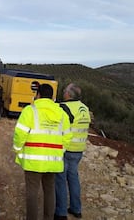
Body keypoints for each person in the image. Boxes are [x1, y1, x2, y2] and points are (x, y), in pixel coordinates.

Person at [13, 84, 72, 220]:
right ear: (52, 96)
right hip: (53, 161)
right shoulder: (61, 113)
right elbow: (67, 136)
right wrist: (58, 151)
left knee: (32, 192)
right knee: (49, 190)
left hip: (33, 161)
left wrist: (17, 149)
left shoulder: (30, 111)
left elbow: (19, 134)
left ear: (38, 95)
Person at [54, 83, 91, 220]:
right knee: (74, 178)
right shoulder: (85, 108)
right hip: (79, 149)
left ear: (68, 94)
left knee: (60, 180)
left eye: (64, 91)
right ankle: (76, 209)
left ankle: (61, 212)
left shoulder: (65, 107)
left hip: (66, 149)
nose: (63, 93)